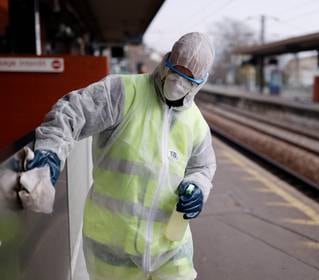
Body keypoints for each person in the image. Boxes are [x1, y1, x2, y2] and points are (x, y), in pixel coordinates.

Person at [23, 32, 216, 280]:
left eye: (188, 79)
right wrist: (49, 154)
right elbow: (70, 113)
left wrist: (197, 187)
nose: (178, 83)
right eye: (175, 72)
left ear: (200, 82)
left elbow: (202, 167)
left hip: (171, 248)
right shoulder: (123, 92)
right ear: (166, 62)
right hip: (113, 249)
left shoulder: (197, 124)